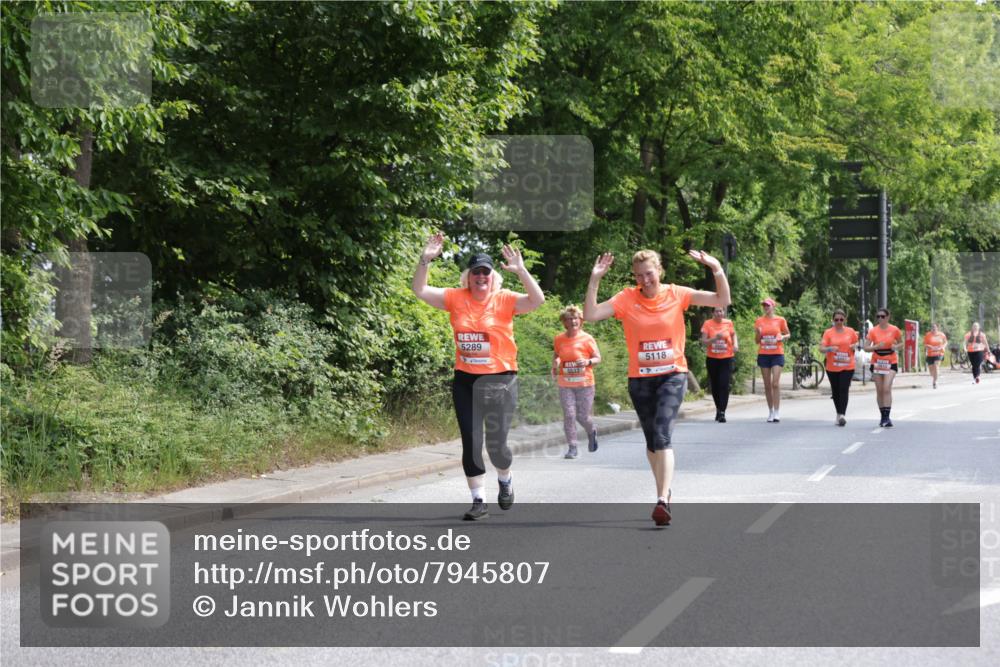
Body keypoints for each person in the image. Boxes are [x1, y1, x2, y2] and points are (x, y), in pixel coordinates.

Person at [584, 248, 730, 526]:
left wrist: (716, 269)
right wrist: (595, 279)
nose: (644, 280)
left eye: (648, 273)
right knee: (652, 440)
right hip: (640, 378)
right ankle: (664, 490)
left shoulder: (676, 293)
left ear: (659, 271)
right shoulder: (627, 298)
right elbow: (590, 314)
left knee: (662, 433)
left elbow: (722, 299)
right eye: (639, 275)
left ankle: (662, 499)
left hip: (672, 374)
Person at [411, 232, 545, 520]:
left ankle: (505, 479)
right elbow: (419, 290)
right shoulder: (455, 298)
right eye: (476, 273)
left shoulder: (505, 299)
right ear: (468, 277)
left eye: (485, 272)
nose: (481, 277)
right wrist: (425, 259)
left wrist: (521, 270)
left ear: (493, 277)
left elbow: (537, 300)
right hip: (466, 381)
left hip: (501, 380)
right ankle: (478, 500)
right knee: (471, 442)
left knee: (497, 446)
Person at [552, 305, 602, 459]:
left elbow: (598, 358)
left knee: (582, 416)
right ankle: (572, 447)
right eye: (569, 319)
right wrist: (556, 363)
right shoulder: (559, 339)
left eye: (575, 318)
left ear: (580, 321)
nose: (573, 321)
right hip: (565, 382)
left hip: (585, 383)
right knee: (569, 414)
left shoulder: (587, 338)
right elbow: (557, 355)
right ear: (564, 322)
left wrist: (587, 362)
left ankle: (591, 430)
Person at [863, 307, 904, 427]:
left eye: (882, 316)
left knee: (886, 388)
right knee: (880, 390)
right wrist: (876, 346)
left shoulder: (894, 329)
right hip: (877, 361)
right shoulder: (873, 331)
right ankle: (883, 417)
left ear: (888, 317)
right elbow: (865, 347)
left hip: (890, 361)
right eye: (878, 317)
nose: (880, 319)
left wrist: (896, 347)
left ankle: (887, 416)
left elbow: (902, 343)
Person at [820, 309, 859, 426]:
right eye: (836, 319)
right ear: (833, 320)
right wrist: (829, 349)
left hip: (848, 365)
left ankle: (842, 414)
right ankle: (838, 413)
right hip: (832, 366)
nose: (839, 322)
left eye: (841, 319)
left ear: (845, 320)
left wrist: (854, 346)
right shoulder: (828, 333)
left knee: (843, 388)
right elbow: (821, 348)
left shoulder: (850, 331)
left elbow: (858, 343)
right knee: (835, 391)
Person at [699, 306, 738, 423]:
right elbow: (704, 342)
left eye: (721, 311)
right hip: (712, 358)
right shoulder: (707, 324)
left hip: (726, 358)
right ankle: (718, 408)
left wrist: (736, 344)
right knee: (715, 385)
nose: (719, 313)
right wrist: (714, 339)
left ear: (724, 312)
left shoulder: (728, 323)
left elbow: (733, 334)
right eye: (716, 311)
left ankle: (722, 412)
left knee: (724, 384)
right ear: (712, 313)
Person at [754, 298, 790, 422]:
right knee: (767, 385)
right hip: (764, 354)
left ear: (773, 307)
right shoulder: (759, 321)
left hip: (777, 354)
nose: (766, 307)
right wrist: (758, 333)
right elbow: (757, 341)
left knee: (775, 383)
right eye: (764, 305)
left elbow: (788, 334)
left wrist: (782, 337)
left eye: (768, 305)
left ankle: (777, 411)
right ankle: (770, 411)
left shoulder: (780, 320)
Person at [923, 322, 947, 389]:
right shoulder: (928, 335)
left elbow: (945, 342)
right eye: (932, 327)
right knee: (931, 371)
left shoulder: (941, 335)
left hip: (939, 353)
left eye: (935, 327)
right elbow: (925, 344)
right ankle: (935, 377)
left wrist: (943, 347)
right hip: (930, 354)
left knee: (936, 366)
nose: (934, 328)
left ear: (937, 328)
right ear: (931, 328)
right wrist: (930, 346)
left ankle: (935, 382)